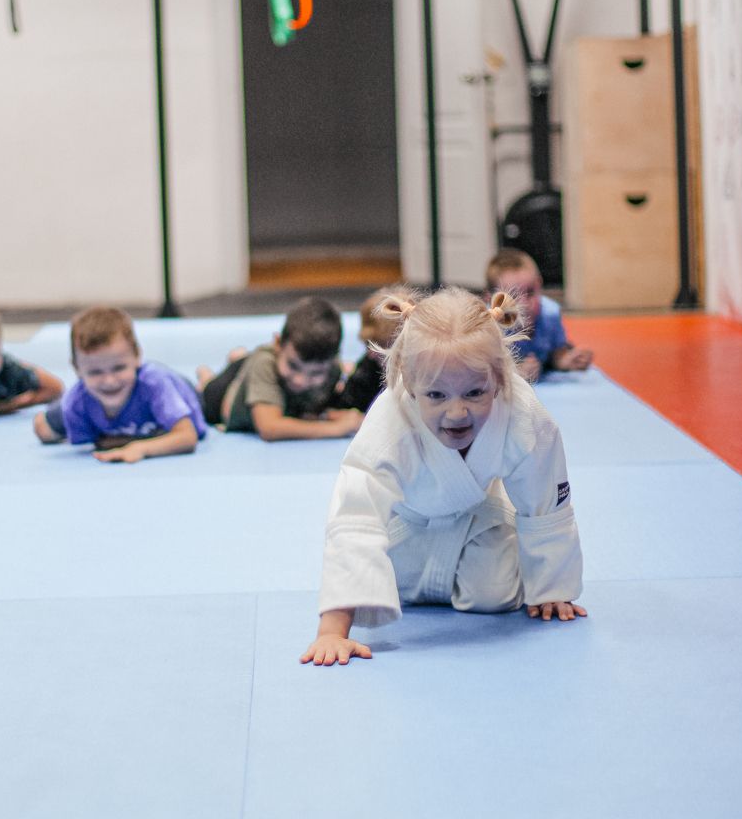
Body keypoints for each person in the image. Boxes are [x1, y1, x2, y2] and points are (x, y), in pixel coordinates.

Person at [301, 285, 585, 667]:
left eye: (474, 393)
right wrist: (333, 632)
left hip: (479, 515)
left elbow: (545, 500)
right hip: (406, 523)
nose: (456, 413)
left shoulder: (521, 413)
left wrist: (551, 589)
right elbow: (355, 517)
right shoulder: (389, 422)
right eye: (436, 395)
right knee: (385, 590)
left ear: (500, 377)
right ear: (408, 380)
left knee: (495, 595)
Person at [33, 305, 208, 463]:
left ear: (137, 357)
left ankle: (205, 377)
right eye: (95, 372)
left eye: (119, 368)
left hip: (184, 391)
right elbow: (95, 442)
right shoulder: (76, 401)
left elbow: (187, 437)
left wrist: (140, 448)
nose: (109, 381)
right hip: (91, 397)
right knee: (44, 429)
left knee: (209, 394)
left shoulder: (154, 385)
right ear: (77, 369)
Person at [196, 296, 364, 442]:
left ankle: (240, 357)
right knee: (208, 392)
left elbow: (313, 410)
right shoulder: (265, 364)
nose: (300, 380)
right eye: (293, 366)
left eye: (315, 373)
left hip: (262, 375)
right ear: (277, 343)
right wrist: (337, 428)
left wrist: (333, 415)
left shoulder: (333, 369)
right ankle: (206, 375)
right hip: (222, 395)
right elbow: (269, 427)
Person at [485, 248, 593, 381]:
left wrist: (564, 361)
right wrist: (513, 374)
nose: (524, 304)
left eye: (530, 292)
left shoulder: (550, 314)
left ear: (539, 284)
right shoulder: (488, 325)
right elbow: (478, 370)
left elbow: (556, 352)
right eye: (512, 296)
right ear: (492, 300)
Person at [330, 285, 406, 413]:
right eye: (368, 346)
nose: (372, 354)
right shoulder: (368, 369)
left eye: (382, 349)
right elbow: (341, 409)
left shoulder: (427, 370)